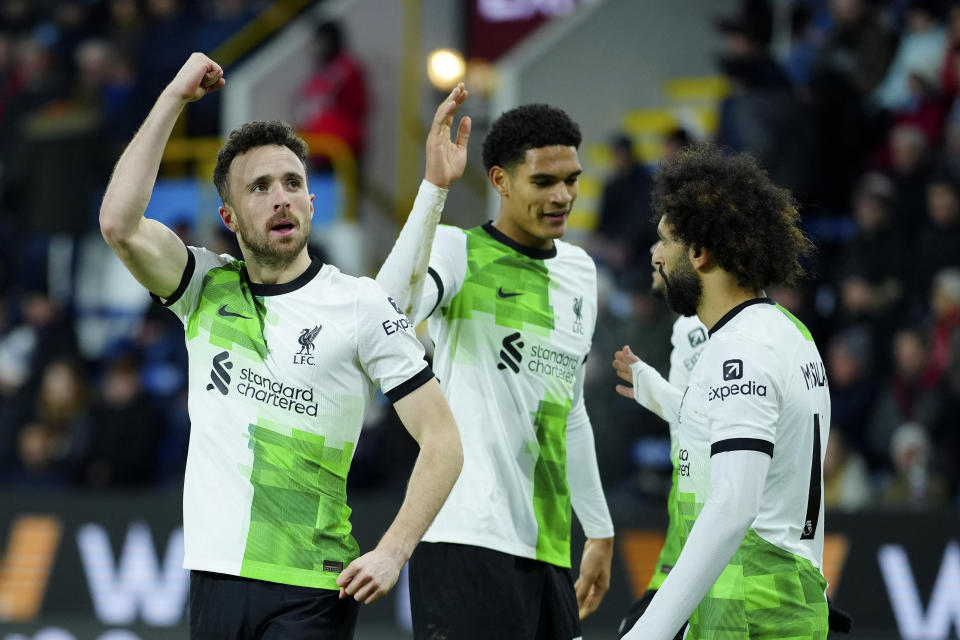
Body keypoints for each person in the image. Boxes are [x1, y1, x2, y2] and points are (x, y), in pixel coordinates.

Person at [98, 53, 463, 639]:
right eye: (260, 188)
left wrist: (394, 550)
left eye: (293, 183)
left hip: (313, 590)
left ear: (313, 202)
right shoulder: (202, 288)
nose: (281, 198)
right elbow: (118, 221)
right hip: (214, 579)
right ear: (230, 216)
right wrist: (173, 97)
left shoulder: (360, 305)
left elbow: (443, 440)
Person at [376, 87, 615, 639]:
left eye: (572, 180)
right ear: (501, 181)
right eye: (544, 182)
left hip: (548, 547)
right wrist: (434, 189)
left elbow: (571, 410)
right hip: (466, 537)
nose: (562, 196)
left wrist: (598, 531)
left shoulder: (581, 273)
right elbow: (386, 311)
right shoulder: (460, 252)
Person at [613, 145, 830, 638]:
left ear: (698, 252)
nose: (656, 255)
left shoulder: (740, 352)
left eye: (666, 240)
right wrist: (658, 392)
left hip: (752, 604)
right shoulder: (785, 332)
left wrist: (650, 631)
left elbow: (734, 502)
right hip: (767, 595)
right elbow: (740, 443)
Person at [616, 261, 707, 640]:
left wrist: (657, 391)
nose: (653, 254)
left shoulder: (697, 328)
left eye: (664, 238)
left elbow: (715, 428)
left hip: (710, 556)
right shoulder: (682, 327)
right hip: (679, 543)